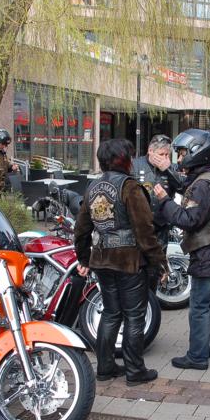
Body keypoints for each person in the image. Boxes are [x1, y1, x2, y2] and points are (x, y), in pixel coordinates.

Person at [74, 138, 167, 386]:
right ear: (123, 159)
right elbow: (145, 231)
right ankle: (135, 370)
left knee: (111, 313)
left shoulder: (93, 187)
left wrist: (84, 258)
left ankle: (105, 368)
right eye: (130, 156)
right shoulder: (130, 187)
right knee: (134, 315)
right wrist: (159, 262)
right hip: (129, 261)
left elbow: (81, 229)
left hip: (102, 260)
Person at [153, 129, 210, 370]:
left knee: (198, 306)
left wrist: (164, 201)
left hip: (208, 251)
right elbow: (185, 186)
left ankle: (197, 357)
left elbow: (189, 219)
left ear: (198, 153)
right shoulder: (205, 177)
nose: (179, 159)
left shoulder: (204, 185)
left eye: (182, 153)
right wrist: (168, 171)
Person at [131, 134, 185, 248]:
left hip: (161, 225)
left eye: (167, 155)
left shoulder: (172, 167)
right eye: (161, 154)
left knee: (159, 257)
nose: (164, 158)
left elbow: (183, 188)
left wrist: (168, 170)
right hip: (137, 225)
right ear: (150, 151)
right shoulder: (134, 166)